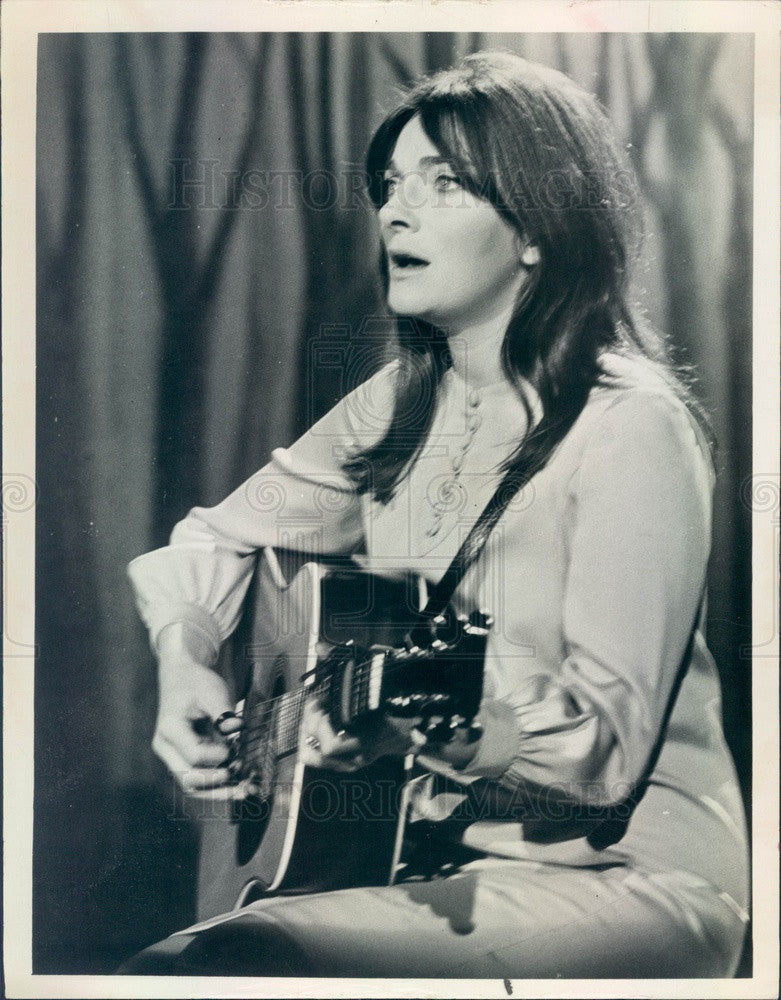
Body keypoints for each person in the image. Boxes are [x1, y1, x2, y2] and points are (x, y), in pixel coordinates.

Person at [122, 51, 749, 978]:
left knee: (212, 965)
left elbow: (603, 753)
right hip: (422, 865)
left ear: (538, 226)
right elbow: (217, 539)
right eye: (389, 184)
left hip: (623, 881)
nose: (393, 211)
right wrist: (184, 663)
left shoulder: (630, 426)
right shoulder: (399, 402)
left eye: (443, 182)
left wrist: (436, 721)